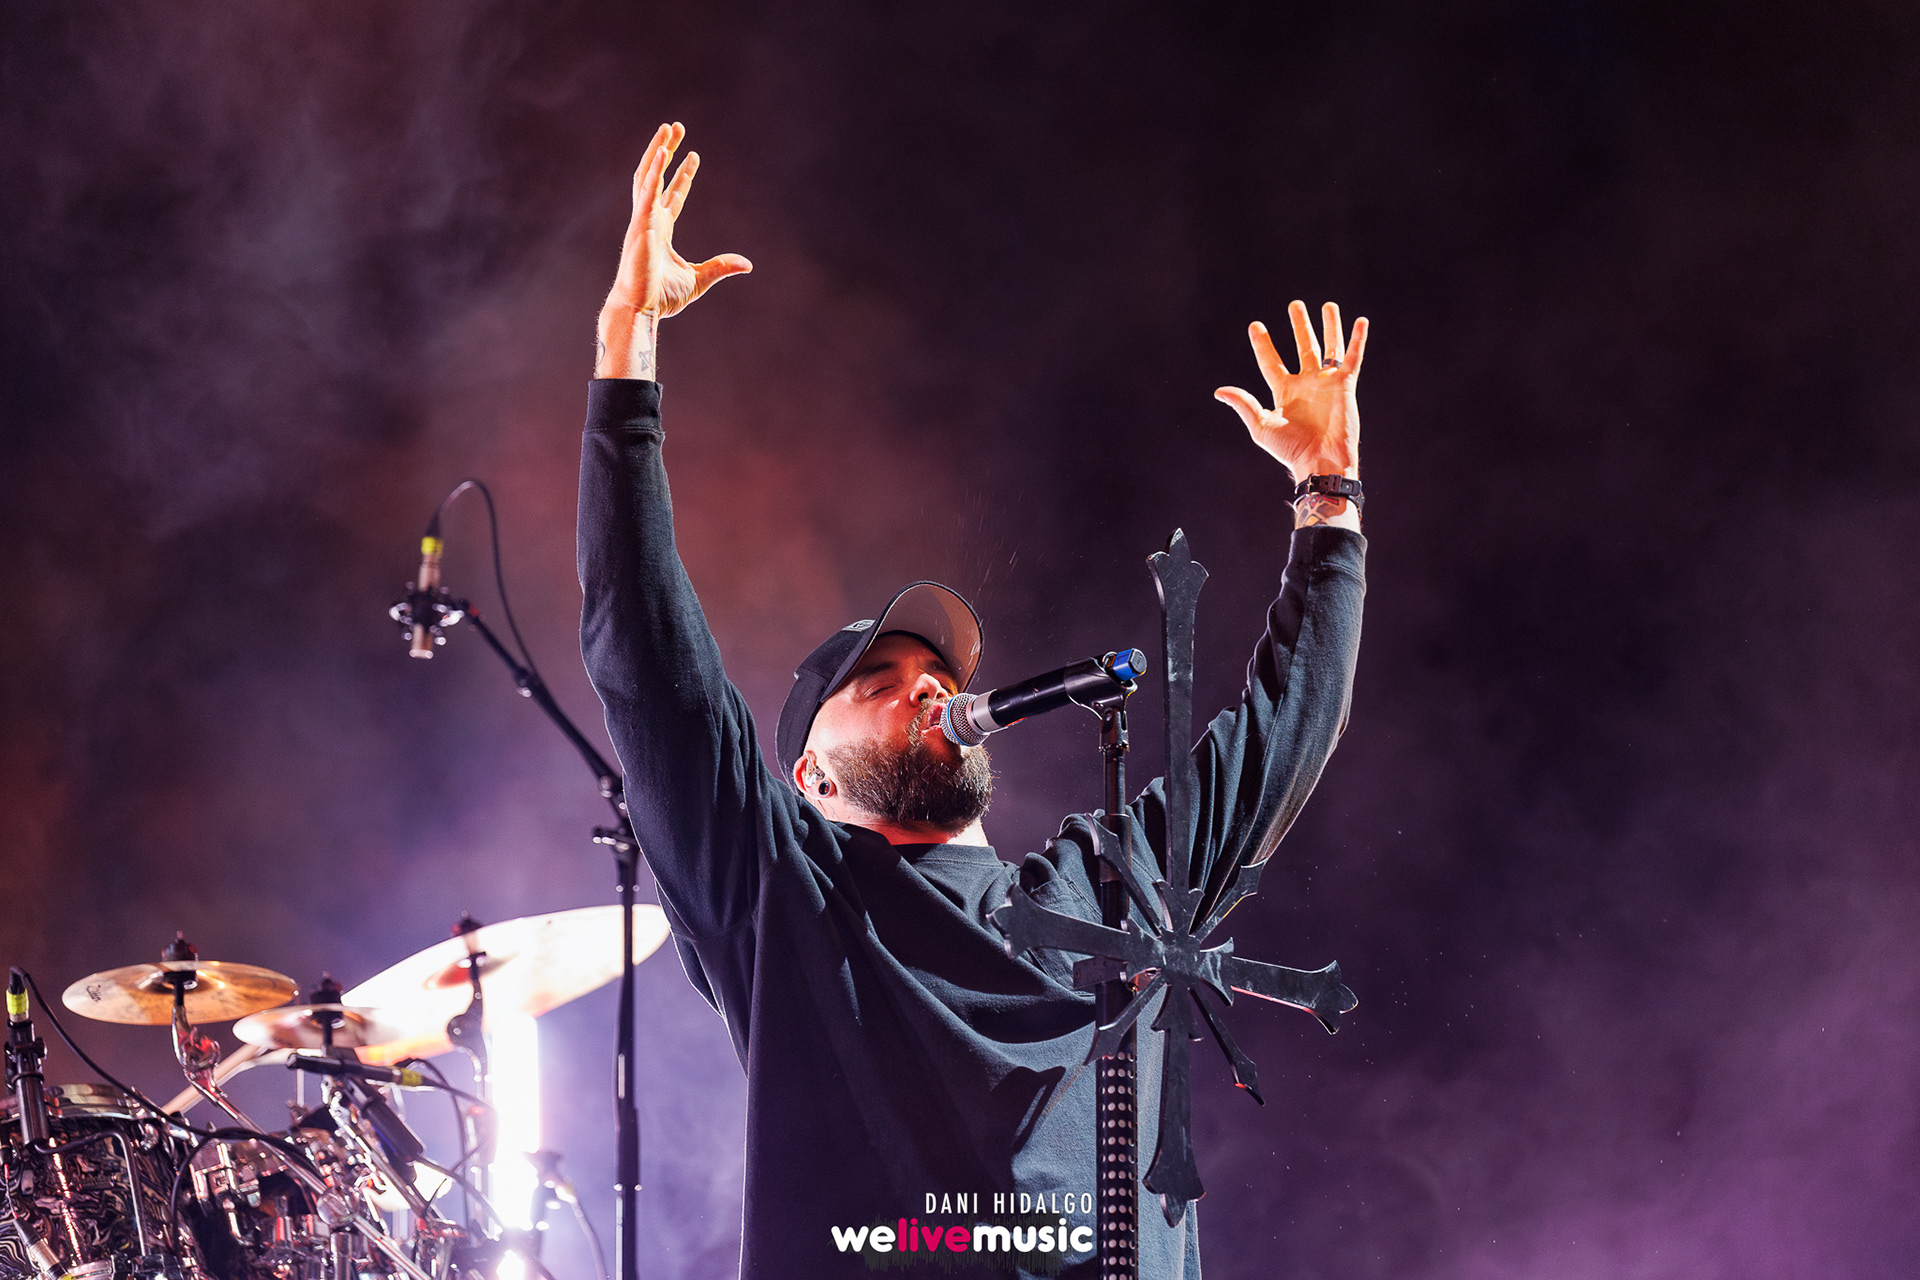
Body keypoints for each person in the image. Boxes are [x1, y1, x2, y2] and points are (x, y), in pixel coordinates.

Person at [576, 123, 1368, 1279]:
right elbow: (649, 659)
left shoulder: (1105, 887)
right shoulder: (784, 888)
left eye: (940, 673)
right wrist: (627, 347)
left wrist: (1329, 495)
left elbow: (1282, 732)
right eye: (878, 681)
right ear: (809, 774)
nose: (929, 687)